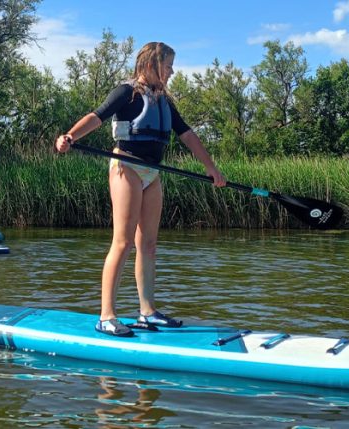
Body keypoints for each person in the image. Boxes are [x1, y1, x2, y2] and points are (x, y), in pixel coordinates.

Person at [55, 42, 226, 337]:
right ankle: (106, 315)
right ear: (152, 63)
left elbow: (187, 135)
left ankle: (147, 312)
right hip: (127, 167)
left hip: (153, 174)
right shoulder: (126, 92)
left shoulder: (164, 101)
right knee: (123, 242)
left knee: (148, 245)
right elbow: (97, 116)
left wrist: (212, 169)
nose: (172, 71)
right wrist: (69, 136)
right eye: (168, 65)